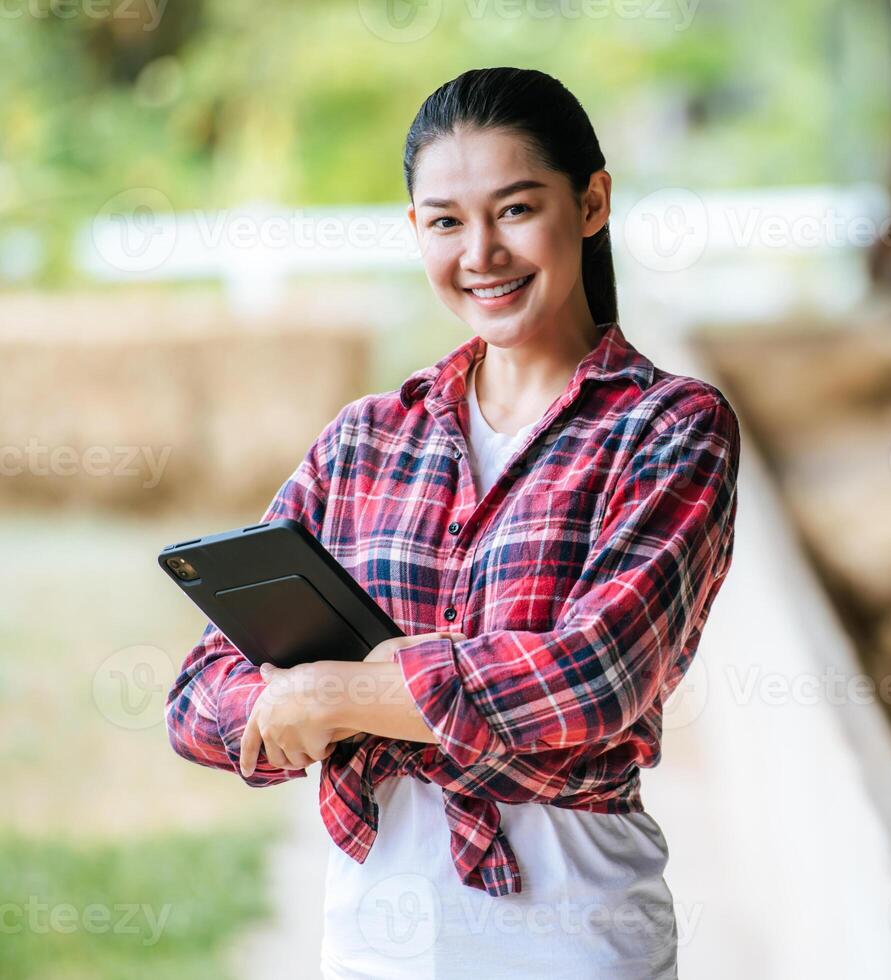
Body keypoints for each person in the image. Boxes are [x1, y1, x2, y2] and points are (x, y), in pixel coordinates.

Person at [164, 66, 741, 979]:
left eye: (515, 209)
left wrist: (334, 696)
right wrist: (284, 703)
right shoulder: (365, 439)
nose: (481, 253)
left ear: (590, 203)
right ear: (415, 232)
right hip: (372, 933)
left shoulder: (666, 428)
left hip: (573, 926)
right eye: (446, 221)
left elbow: (593, 678)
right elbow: (198, 695)